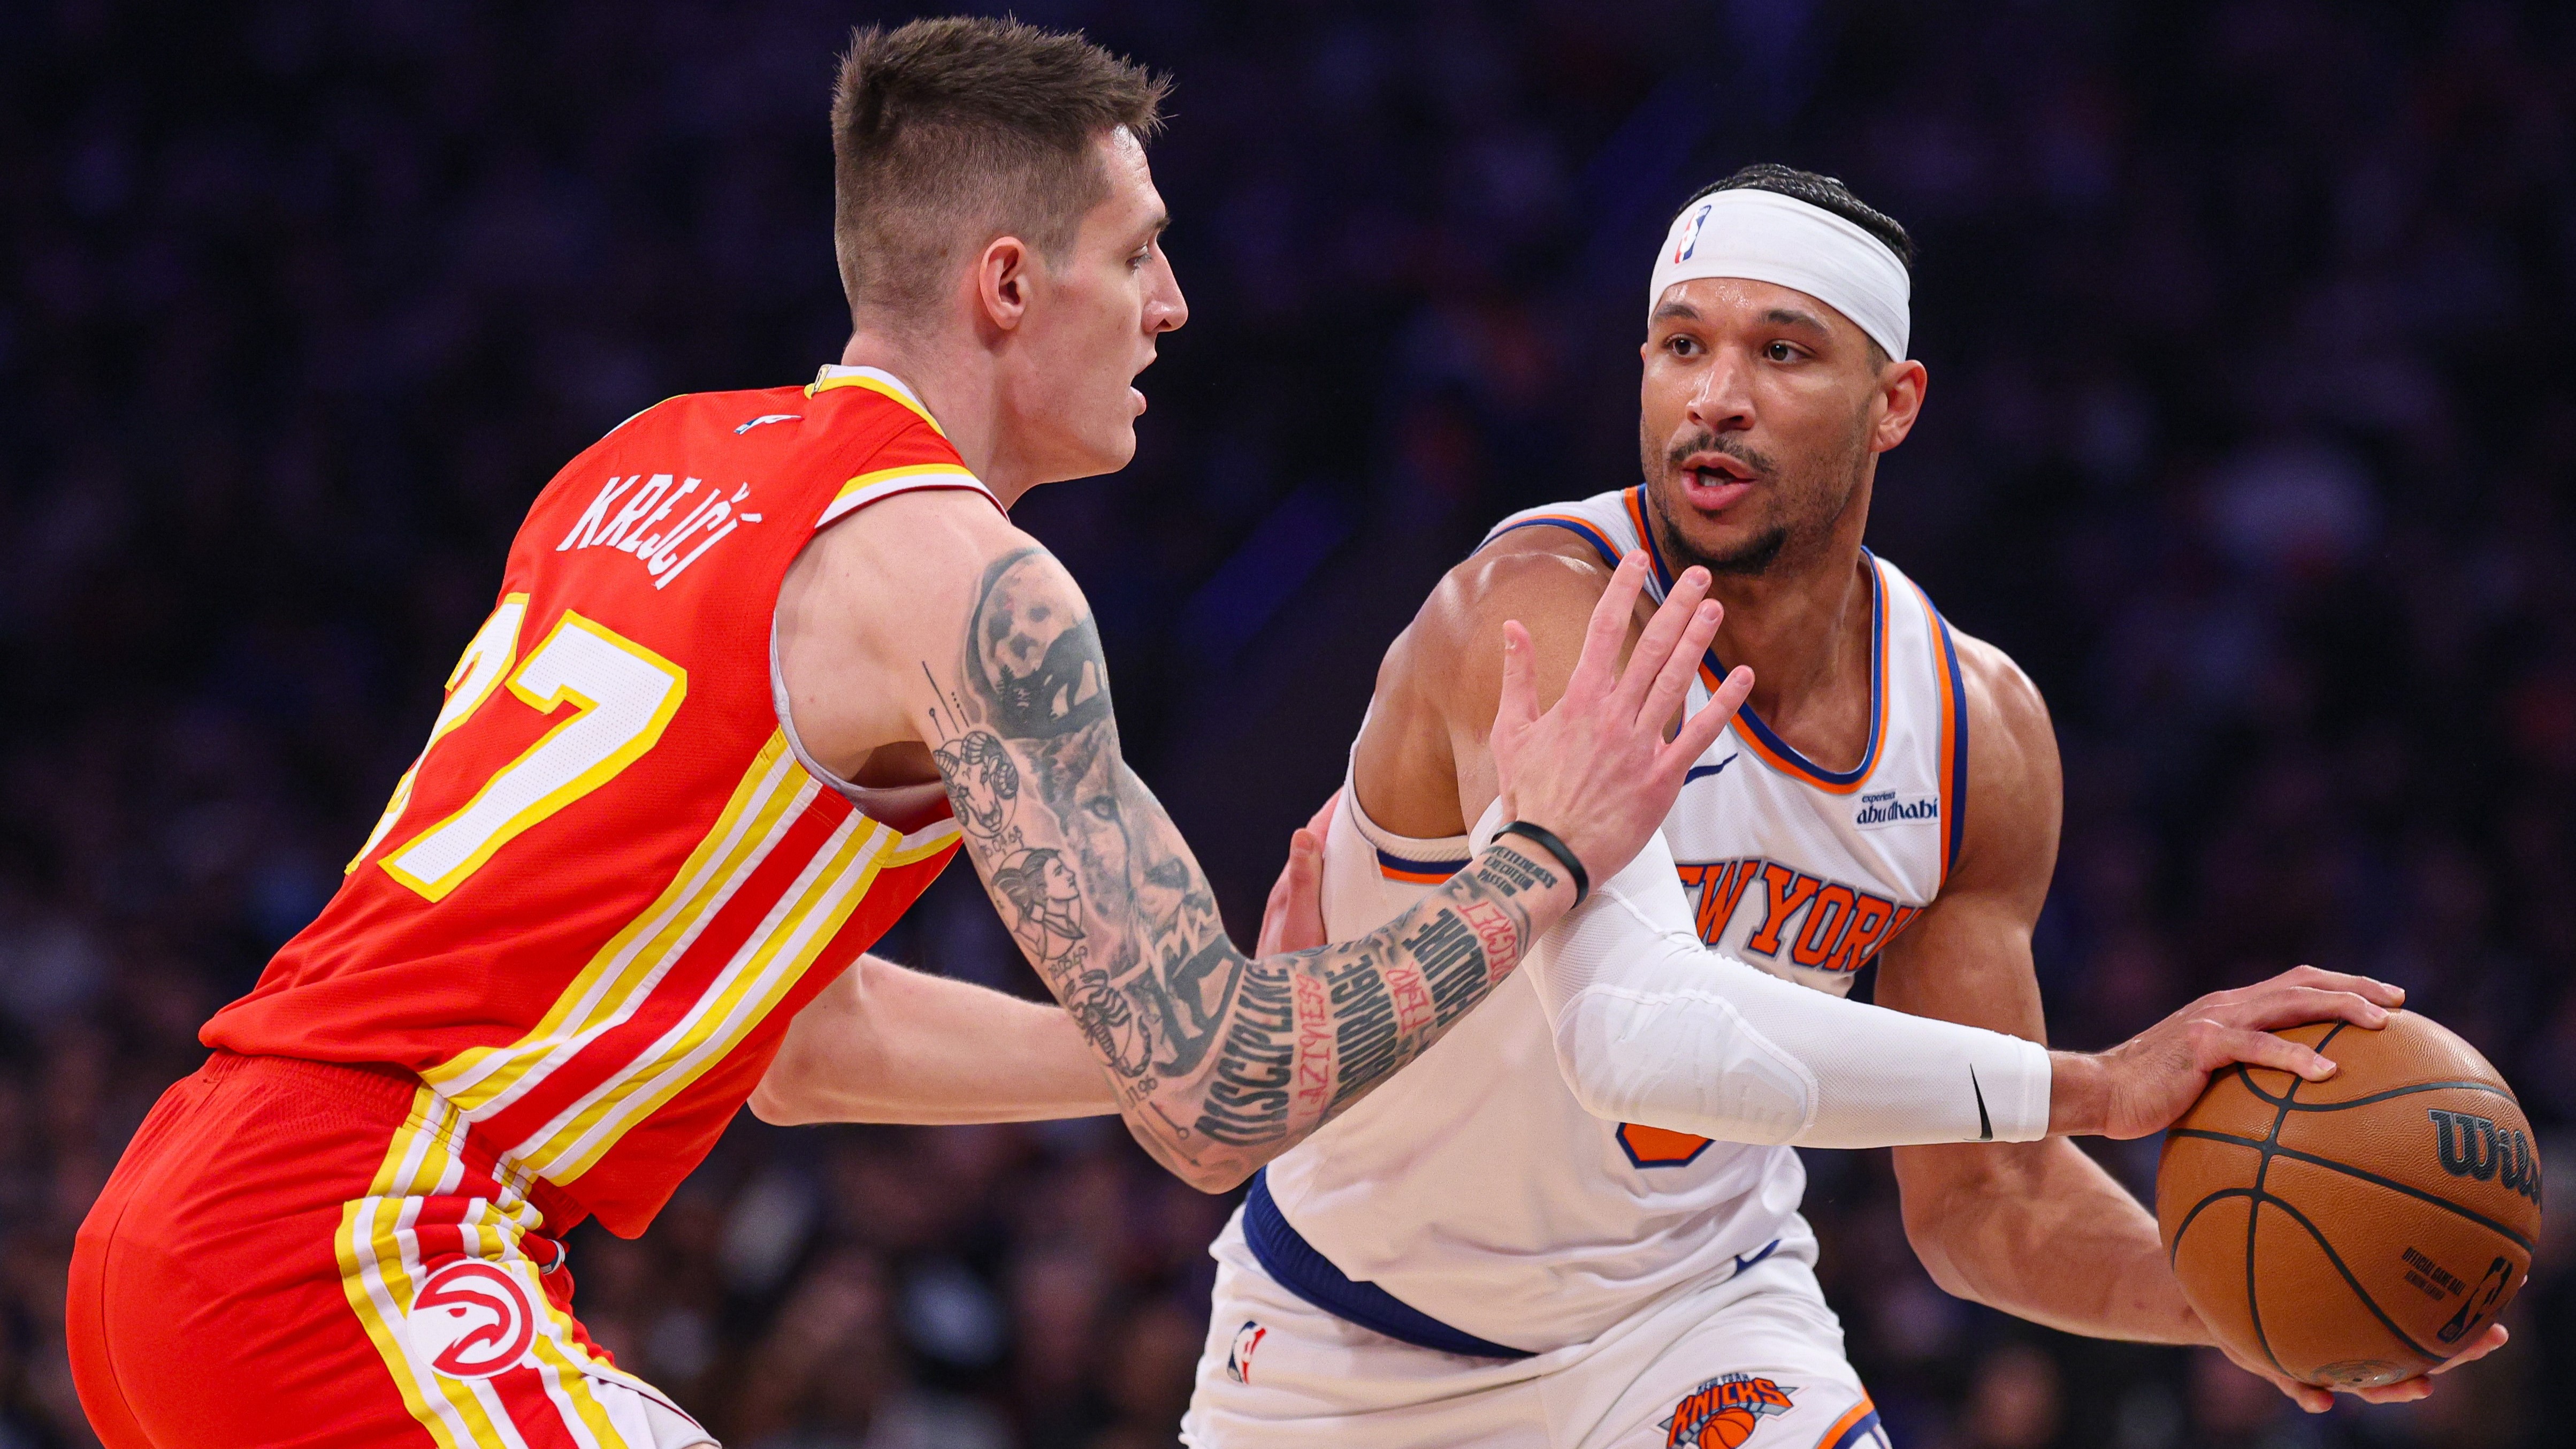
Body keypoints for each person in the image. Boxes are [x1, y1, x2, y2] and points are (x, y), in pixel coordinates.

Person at [61, 20, 1748, 1449]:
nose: (1172, 304)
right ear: (1009, 282)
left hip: (181, 1215)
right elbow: (1223, 1099)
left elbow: (791, 1039)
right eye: (1137, 252)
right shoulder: (967, 584)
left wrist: (1141, 1039)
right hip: (359, 1243)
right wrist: (1542, 856)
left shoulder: (640, 460)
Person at [1180, 166, 2504, 1447]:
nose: (1716, 397)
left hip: (1689, 1324)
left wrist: (2258, 1301)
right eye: (1680, 346)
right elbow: (1628, 1034)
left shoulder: (1973, 731)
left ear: (1893, 403)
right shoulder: (1532, 617)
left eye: (1782, 352)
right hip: (1345, 1348)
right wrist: (2098, 1086)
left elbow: (1983, 1194)